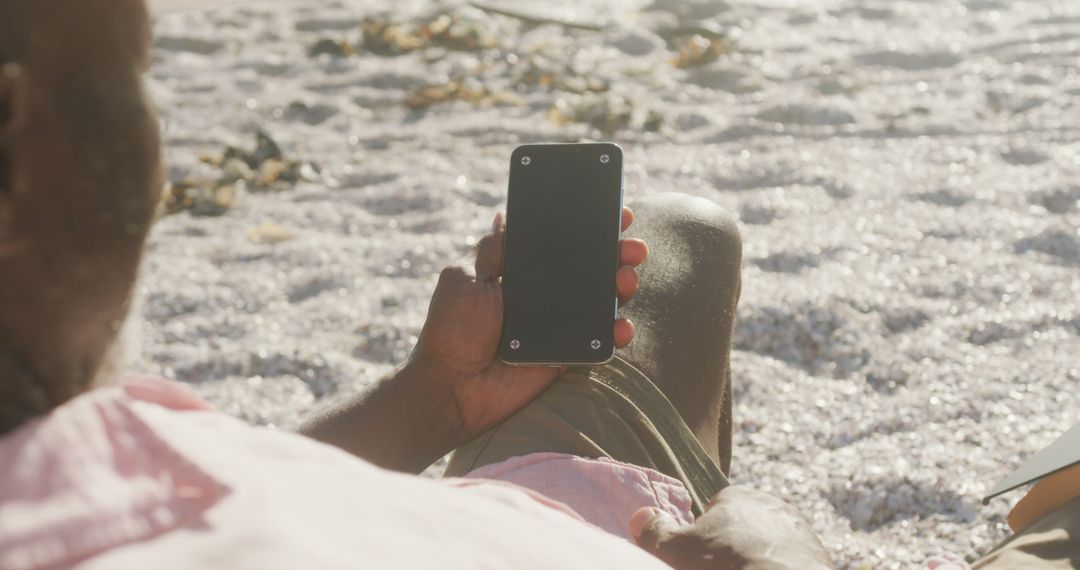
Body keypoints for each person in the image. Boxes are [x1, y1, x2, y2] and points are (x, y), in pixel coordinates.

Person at [0, 1, 1073, 569]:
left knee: (678, 243)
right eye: (132, 76)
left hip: (519, 502)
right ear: (24, 136)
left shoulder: (41, 426)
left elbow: (203, 488)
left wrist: (427, 403)